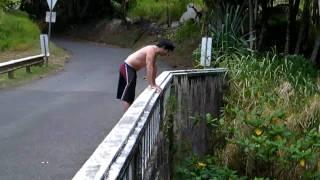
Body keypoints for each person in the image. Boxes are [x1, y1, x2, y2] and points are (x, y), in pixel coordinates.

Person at [116, 39, 175, 112]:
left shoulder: (155, 53)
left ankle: (128, 112)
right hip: (127, 67)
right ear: (163, 47)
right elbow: (149, 67)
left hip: (131, 70)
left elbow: (154, 67)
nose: (167, 54)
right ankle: (126, 116)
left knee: (131, 95)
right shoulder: (151, 49)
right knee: (128, 93)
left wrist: (154, 84)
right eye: (167, 51)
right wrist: (151, 85)